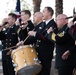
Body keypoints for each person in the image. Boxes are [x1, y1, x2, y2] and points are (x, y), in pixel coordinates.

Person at [28, 7, 58, 75]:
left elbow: (47, 38)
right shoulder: (43, 24)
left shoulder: (53, 24)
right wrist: (23, 42)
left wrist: (35, 34)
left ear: (49, 13)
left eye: (44, 11)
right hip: (38, 53)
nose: (42, 13)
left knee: (44, 72)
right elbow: (35, 37)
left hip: (46, 53)